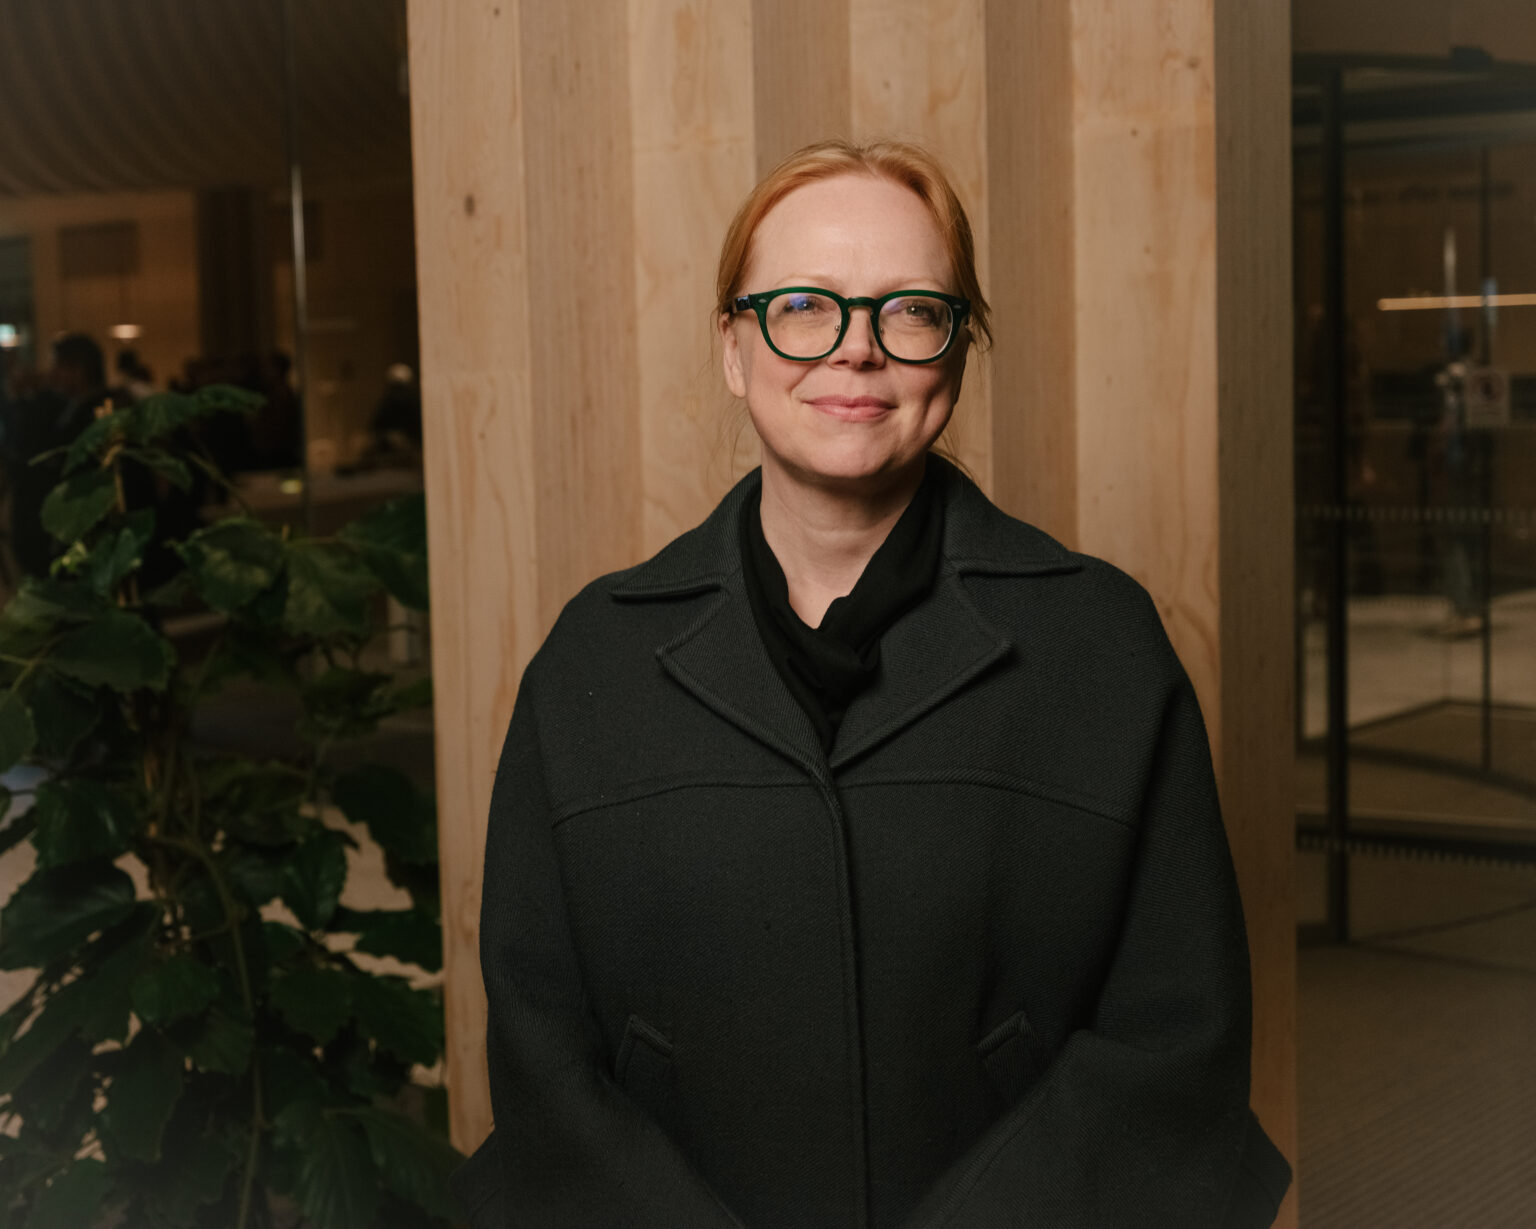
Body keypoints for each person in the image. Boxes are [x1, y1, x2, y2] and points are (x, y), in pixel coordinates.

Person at [454, 139, 1291, 1229]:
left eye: (908, 309)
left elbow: (1177, 1038)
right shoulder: (590, 660)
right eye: (803, 305)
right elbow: (540, 1050)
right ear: (732, 344)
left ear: (958, 346)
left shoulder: (1100, 645)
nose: (855, 353)